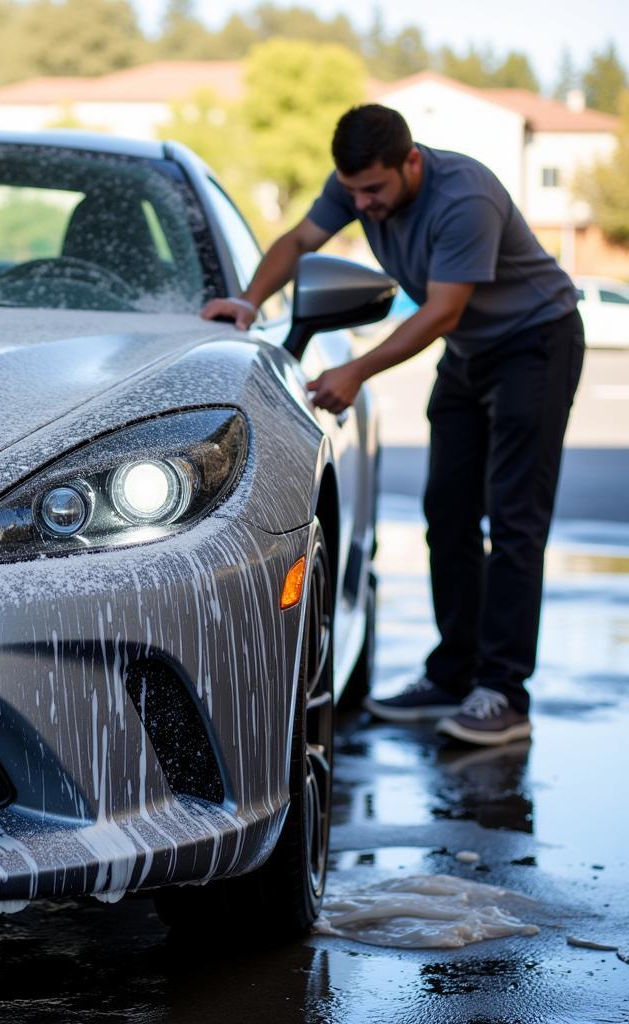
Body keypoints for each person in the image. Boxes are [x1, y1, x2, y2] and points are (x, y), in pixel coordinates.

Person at [203, 104, 584, 747]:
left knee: (515, 519)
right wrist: (247, 301)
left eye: (374, 191)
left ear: (412, 161)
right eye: (352, 192)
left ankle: (504, 694)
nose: (363, 204)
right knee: (447, 511)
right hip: (470, 352)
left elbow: (440, 311)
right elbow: (299, 243)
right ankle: (453, 674)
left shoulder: (465, 196)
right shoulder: (357, 182)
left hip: (534, 345)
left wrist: (356, 373)